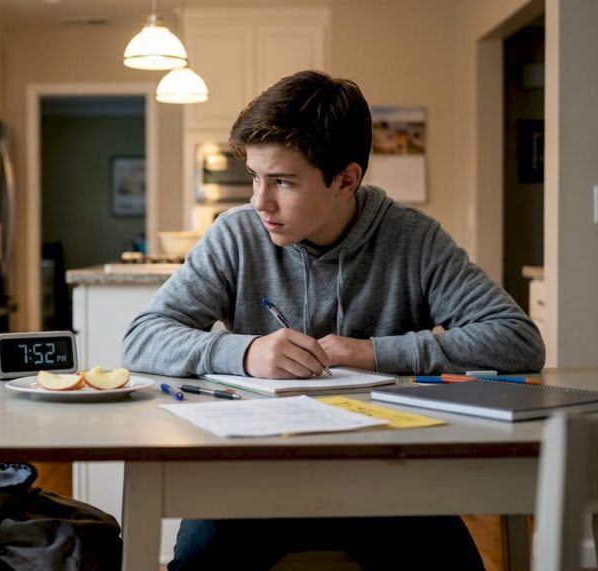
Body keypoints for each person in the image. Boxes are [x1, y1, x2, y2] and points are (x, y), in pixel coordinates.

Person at [121, 71, 545, 569]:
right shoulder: (235, 236)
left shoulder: (414, 240)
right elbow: (141, 338)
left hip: (389, 476)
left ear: (346, 179)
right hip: (248, 478)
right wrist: (246, 352)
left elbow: (518, 340)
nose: (260, 201)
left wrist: (372, 353)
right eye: (255, 178)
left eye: (282, 181)